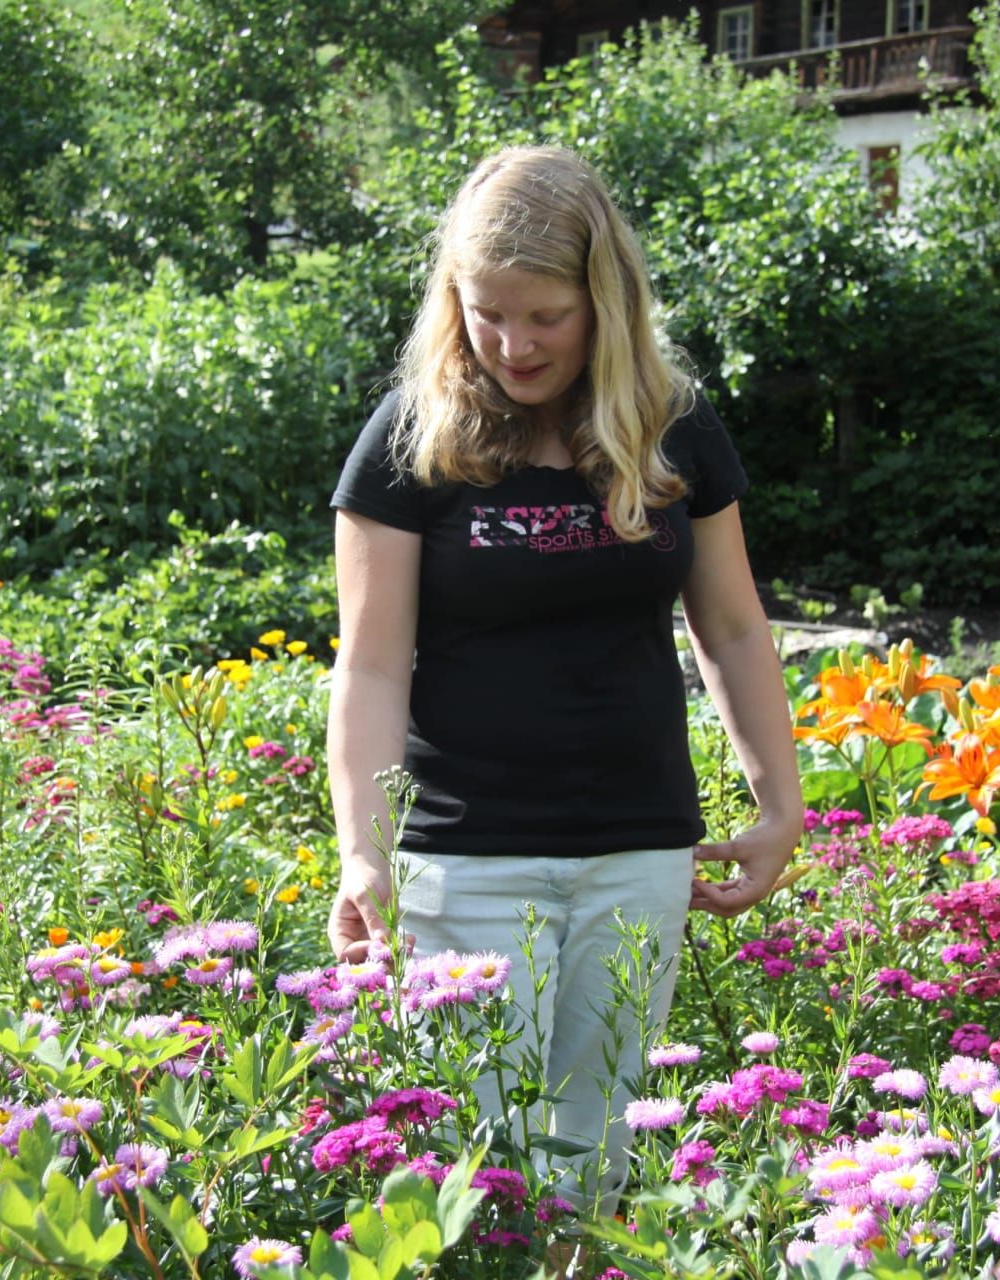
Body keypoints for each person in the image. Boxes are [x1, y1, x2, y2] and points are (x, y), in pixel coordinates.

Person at [325, 145, 801, 1217]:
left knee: (599, 1167)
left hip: (639, 852)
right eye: (487, 314)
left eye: (546, 315)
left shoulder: (673, 427)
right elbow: (370, 666)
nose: (513, 344)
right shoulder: (410, 440)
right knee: (473, 1171)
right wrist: (365, 852)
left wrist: (780, 804)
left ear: (606, 300)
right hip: (465, 862)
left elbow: (732, 628)